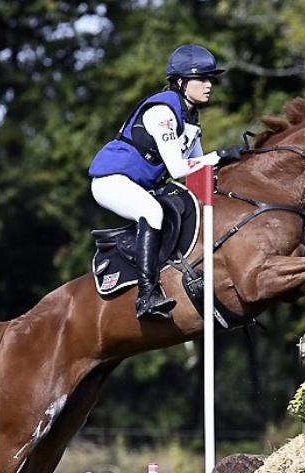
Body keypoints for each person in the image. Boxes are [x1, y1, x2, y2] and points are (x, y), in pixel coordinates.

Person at [88, 43, 244, 319]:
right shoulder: (163, 113)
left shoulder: (190, 118)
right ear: (182, 82)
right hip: (110, 181)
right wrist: (218, 155)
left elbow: (197, 172)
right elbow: (178, 167)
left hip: (139, 184)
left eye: (210, 79)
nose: (209, 85)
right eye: (202, 79)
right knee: (152, 211)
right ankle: (147, 297)